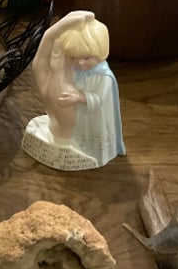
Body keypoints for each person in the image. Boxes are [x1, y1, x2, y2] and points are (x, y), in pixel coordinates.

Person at [24, 10, 125, 170]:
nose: (80, 63)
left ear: (101, 53)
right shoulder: (75, 70)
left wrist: (79, 97)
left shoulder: (104, 77)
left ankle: (82, 144)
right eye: (74, 58)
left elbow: (100, 99)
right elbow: (41, 63)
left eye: (86, 58)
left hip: (92, 118)